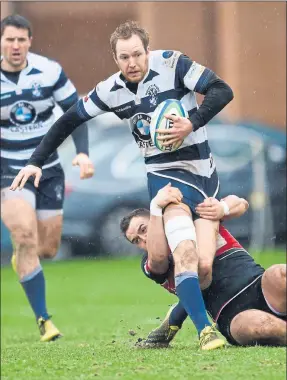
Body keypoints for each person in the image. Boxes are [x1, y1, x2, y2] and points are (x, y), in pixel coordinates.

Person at [10, 20, 234, 349]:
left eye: (137, 55)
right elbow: (68, 120)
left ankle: (170, 325)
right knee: (184, 254)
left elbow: (222, 90)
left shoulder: (173, 64)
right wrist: (35, 161)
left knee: (203, 266)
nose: (132, 63)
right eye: (124, 57)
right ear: (115, 59)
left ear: (148, 50)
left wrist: (192, 122)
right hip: (164, 176)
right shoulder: (110, 90)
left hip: (204, 176)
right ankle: (205, 332)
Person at [1, 14, 95, 342]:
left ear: (29, 41)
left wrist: (82, 153)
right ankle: (44, 319)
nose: (15, 46)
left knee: (48, 249)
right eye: (9, 40)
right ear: (1, 42)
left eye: (21, 40)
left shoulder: (49, 70)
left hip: (48, 169)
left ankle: (24, 255)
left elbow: (77, 114)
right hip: (9, 171)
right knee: (24, 235)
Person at [120, 185, 286, 348]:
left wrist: (223, 207)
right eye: (136, 241)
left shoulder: (196, 220)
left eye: (144, 229)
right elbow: (159, 259)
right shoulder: (150, 264)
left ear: (158, 220)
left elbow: (241, 202)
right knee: (260, 325)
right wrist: (155, 206)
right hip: (233, 316)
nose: (144, 239)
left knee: (280, 273)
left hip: (263, 287)